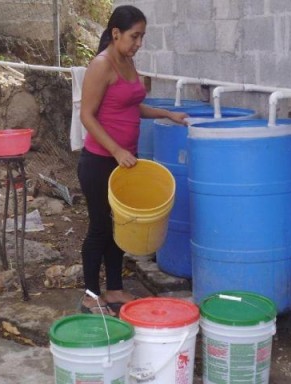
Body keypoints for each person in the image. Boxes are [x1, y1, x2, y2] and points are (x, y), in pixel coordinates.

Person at [78, 5, 188, 315]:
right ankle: (90, 294)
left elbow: (131, 105)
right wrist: (115, 150)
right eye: (134, 36)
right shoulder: (101, 65)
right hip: (100, 161)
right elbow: (87, 115)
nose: (139, 43)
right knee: (99, 227)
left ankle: (114, 289)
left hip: (125, 161)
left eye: (142, 37)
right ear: (116, 34)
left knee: (118, 227)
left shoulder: (128, 62)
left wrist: (166, 113)